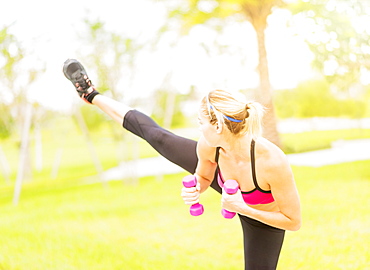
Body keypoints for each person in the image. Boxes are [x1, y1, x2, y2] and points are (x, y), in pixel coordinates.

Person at [63, 59, 301, 270]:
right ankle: (91, 94)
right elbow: (205, 177)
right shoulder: (209, 145)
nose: (199, 128)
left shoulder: (271, 161)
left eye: (201, 122)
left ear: (218, 126)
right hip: (229, 185)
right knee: (158, 137)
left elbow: (293, 221)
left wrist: (243, 207)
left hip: (262, 217)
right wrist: (197, 187)